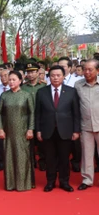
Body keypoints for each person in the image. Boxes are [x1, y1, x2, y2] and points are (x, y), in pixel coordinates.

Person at [35, 66, 80, 192]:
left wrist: (76, 130)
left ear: (63, 76)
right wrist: (38, 130)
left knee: (64, 158)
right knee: (50, 158)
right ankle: (50, 182)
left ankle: (64, 182)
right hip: (47, 130)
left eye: (58, 75)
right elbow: (38, 113)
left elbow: (76, 113)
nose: (55, 78)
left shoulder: (71, 92)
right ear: (49, 77)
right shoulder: (41, 92)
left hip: (66, 130)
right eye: (53, 75)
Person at [0, 71, 35, 191]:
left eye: (14, 80)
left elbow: (31, 113)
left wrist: (30, 129)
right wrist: (0, 129)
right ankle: (11, 184)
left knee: (22, 157)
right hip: (8, 131)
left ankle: (24, 184)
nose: (11, 82)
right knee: (9, 156)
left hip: (23, 131)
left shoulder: (26, 95)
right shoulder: (4, 95)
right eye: (10, 80)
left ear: (20, 81)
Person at [75, 59, 99, 190]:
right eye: (85, 69)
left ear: (98, 71)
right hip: (85, 126)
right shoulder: (78, 85)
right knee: (86, 154)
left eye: (90, 70)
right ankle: (87, 179)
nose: (87, 72)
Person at [22, 63, 47, 174]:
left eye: (33, 72)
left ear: (38, 73)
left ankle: (42, 161)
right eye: (28, 72)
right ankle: (31, 161)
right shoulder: (23, 87)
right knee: (29, 142)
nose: (30, 74)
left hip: (41, 117)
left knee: (41, 141)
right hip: (27, 118)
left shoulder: (43, 86)